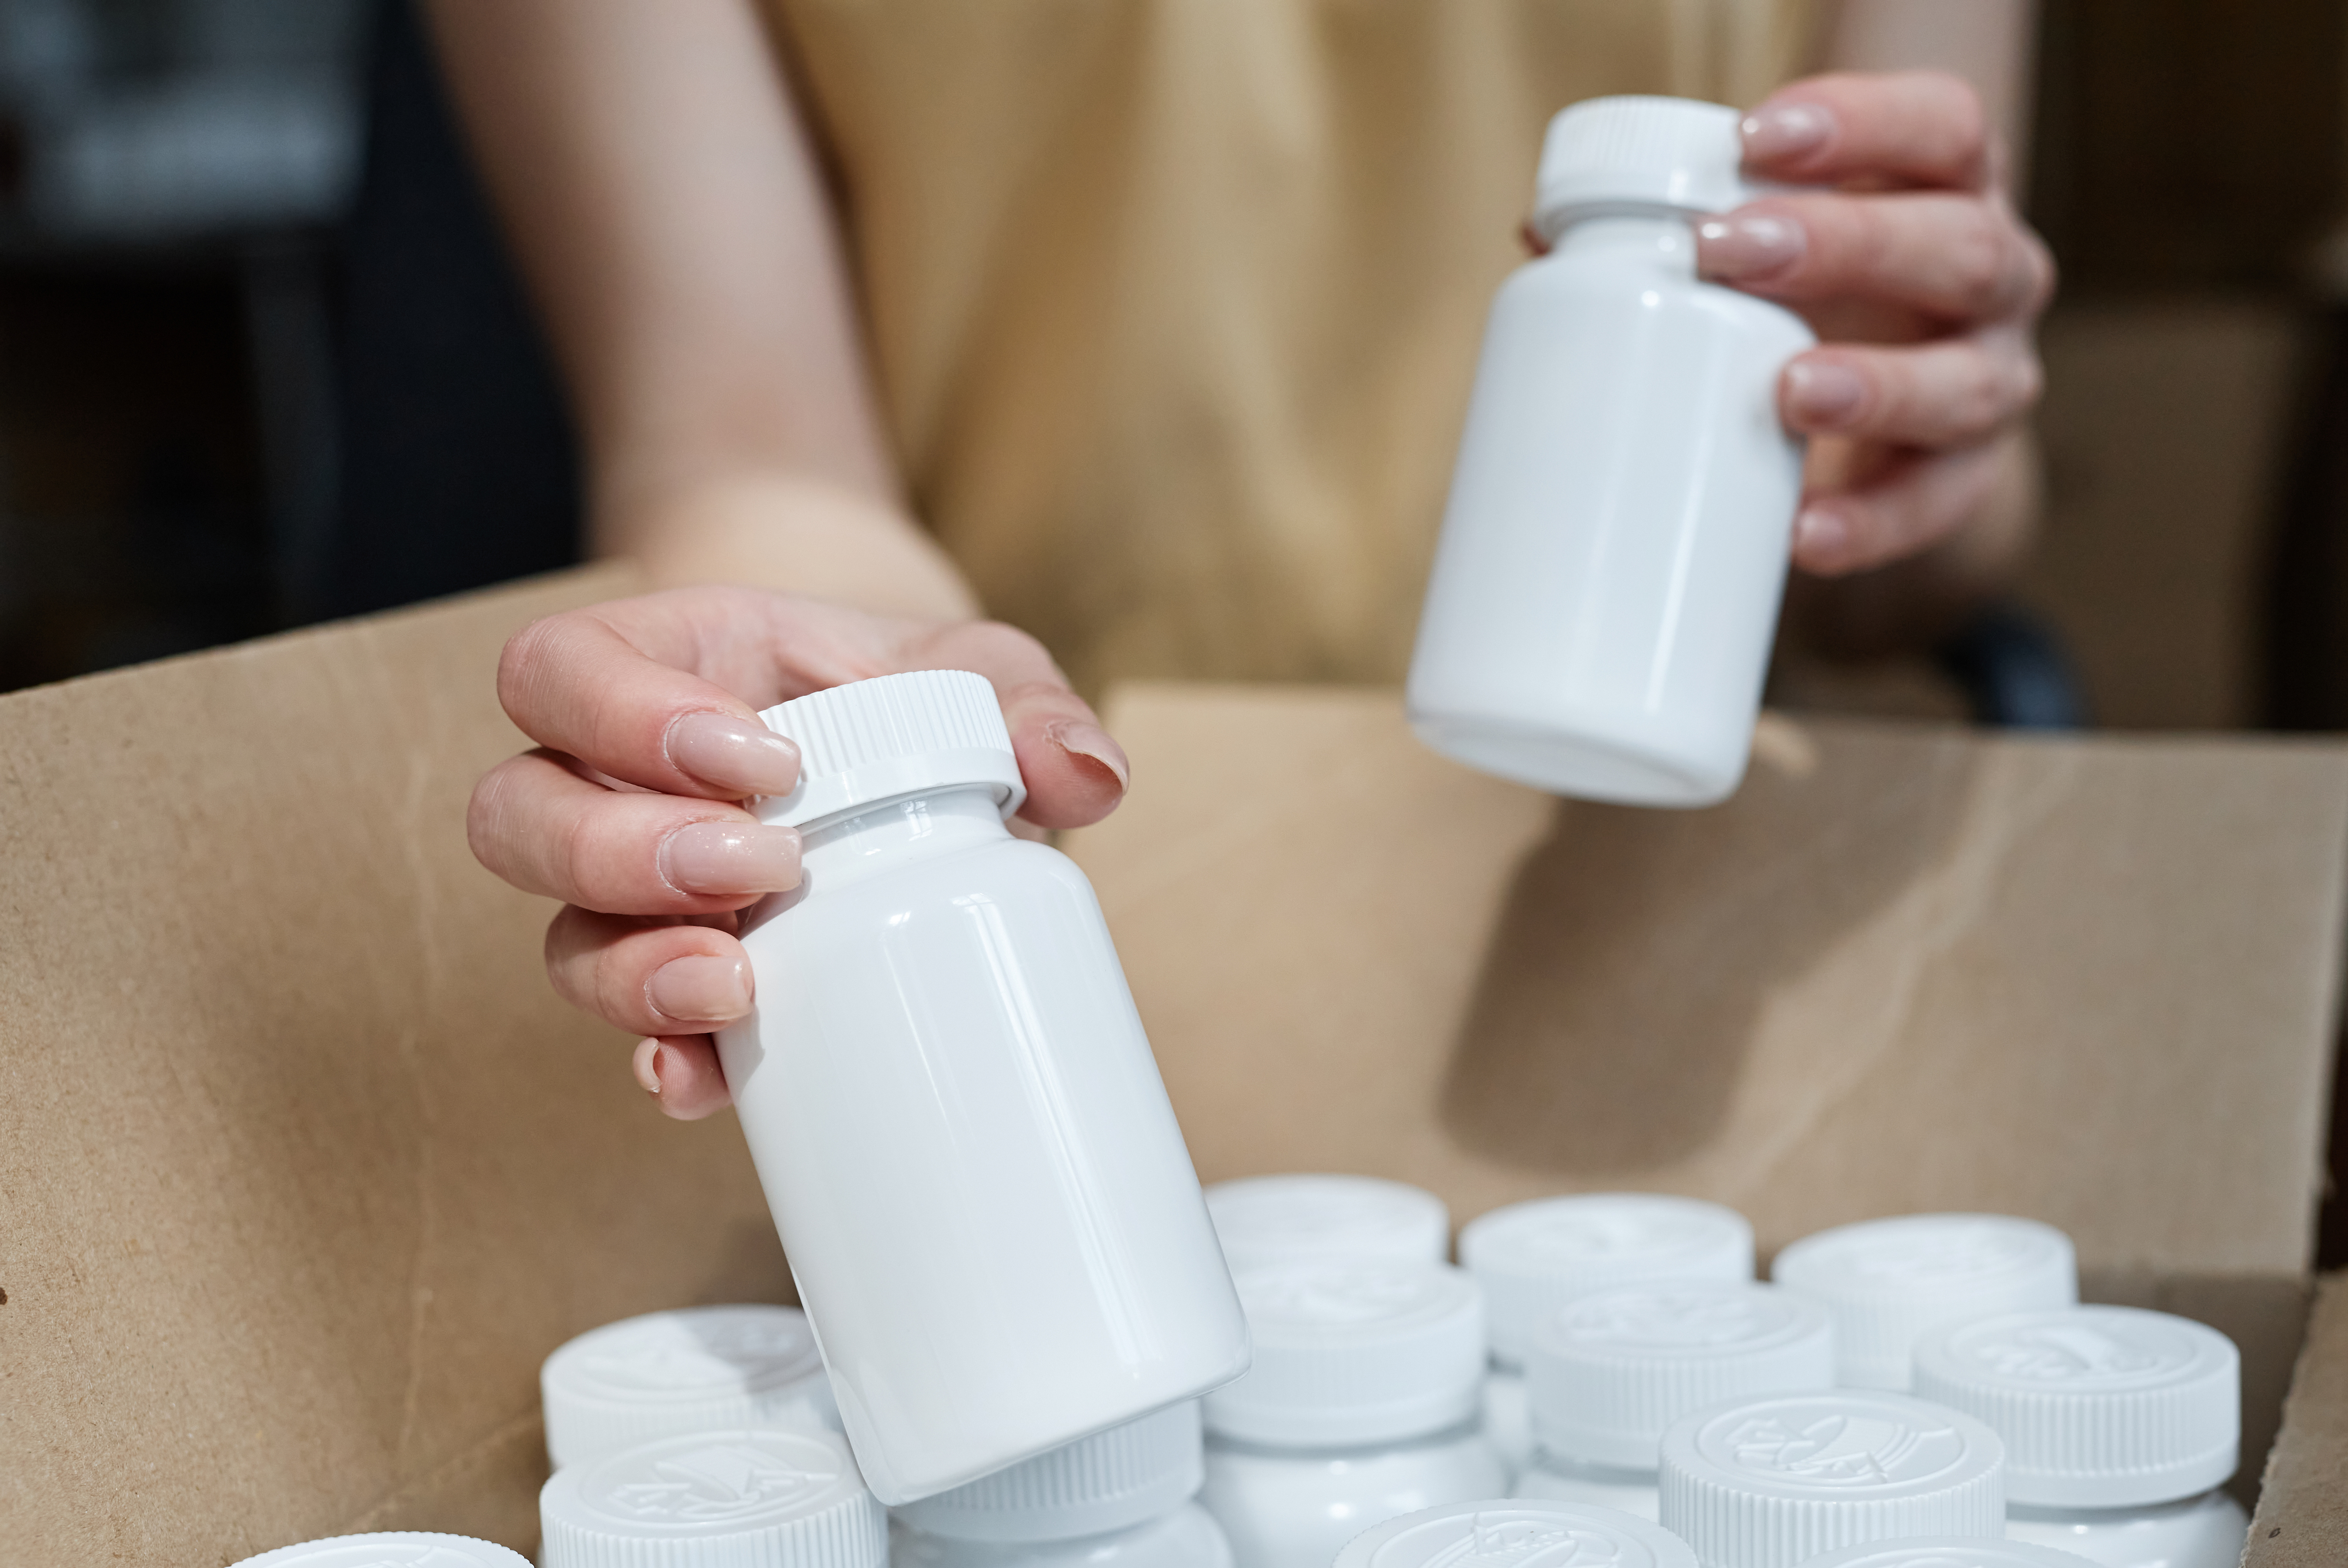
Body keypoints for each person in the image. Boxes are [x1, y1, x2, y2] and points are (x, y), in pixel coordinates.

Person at [444, 0, 2053, 1118]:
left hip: (1626, 908)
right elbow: (749, 445)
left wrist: (1897, 453)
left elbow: (1929, 556)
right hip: (1046, 834)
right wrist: (842, 708)